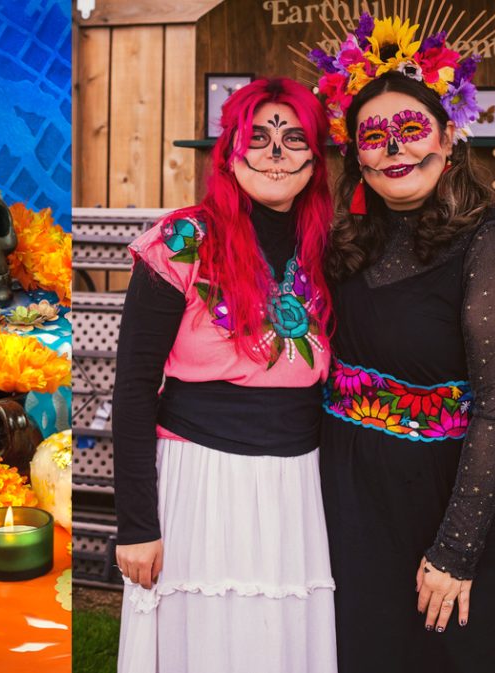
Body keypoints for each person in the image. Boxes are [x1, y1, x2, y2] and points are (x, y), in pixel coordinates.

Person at [310, 14, 495, 673]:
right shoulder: (346, 240)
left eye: (411, 128)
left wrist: (456, 550)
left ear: (447, 136)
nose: (394, 148)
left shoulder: (492, 245)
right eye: (373, 136)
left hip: (438, 499)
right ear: (357, 155)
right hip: (345, 489)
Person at [111, 77, 337, 673]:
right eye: (257, 137)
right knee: (207, 642)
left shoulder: (330, 248)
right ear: (230, 153)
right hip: (201, 478)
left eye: (294, 138)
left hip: (296, 481)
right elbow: (133, 388)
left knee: (278, 641)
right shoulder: (181, 242)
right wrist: (137, 524)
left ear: (315, 159)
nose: (276, 153)